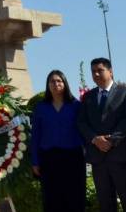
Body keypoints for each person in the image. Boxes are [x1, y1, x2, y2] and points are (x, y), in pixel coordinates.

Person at [76, 57, 126, 212]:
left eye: (100, 70)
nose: (96, 74)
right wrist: (95, 139)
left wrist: (111, 140)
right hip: (98, 160)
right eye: (93, 72)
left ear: (110, 71)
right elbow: (81, 122)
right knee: (105, 203)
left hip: (120, 157)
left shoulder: (125, 92)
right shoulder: (88, 97)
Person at [30, 70, 86, 212]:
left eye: (59, 81)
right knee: (51, 199)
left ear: (65, 83)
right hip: (49, 159)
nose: (56, 84)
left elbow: (84, 131)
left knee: (75, 198)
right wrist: (35, 161)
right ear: (48, 85)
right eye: (52, 81)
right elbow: (36, 135)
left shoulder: (76, 106)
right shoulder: (41, 108)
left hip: (73, 157)